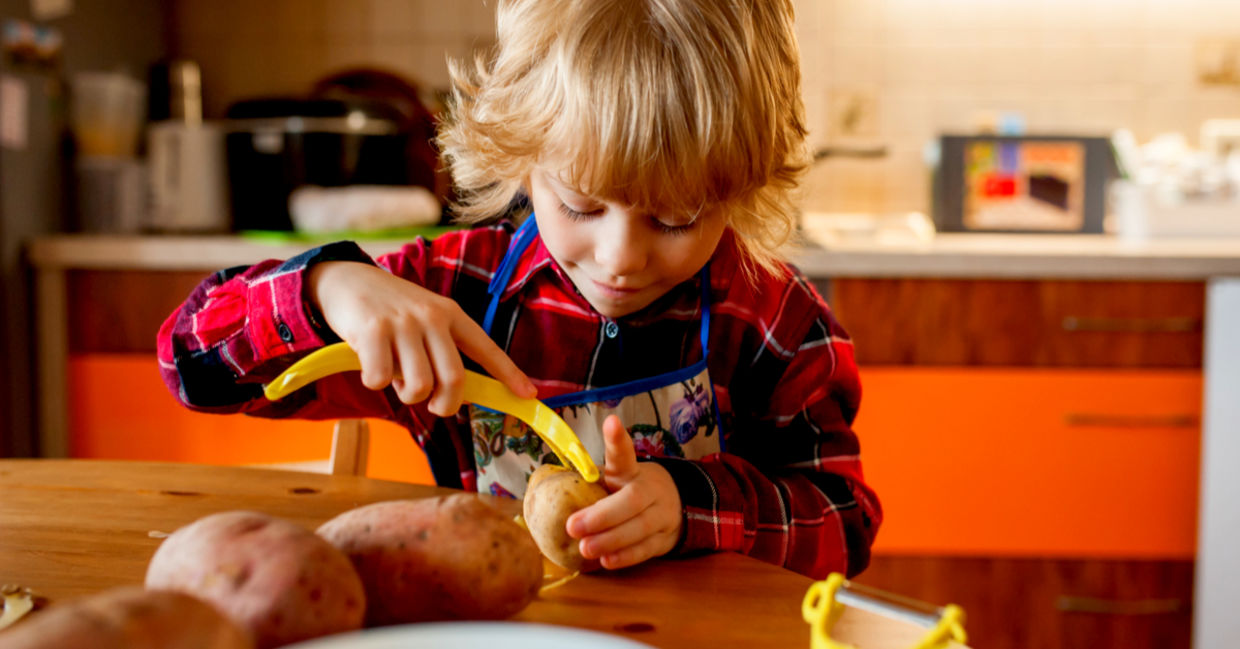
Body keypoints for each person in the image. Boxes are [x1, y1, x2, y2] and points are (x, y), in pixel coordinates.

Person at [157, 0, 881, 579]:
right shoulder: (456, 293)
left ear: (740, 189)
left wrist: (694, 507)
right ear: (524, 160)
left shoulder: (774, 318)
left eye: (677, 217)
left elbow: (843, 527)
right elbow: (188, 359)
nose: (619, 257)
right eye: (581, 205)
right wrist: (330, 287)